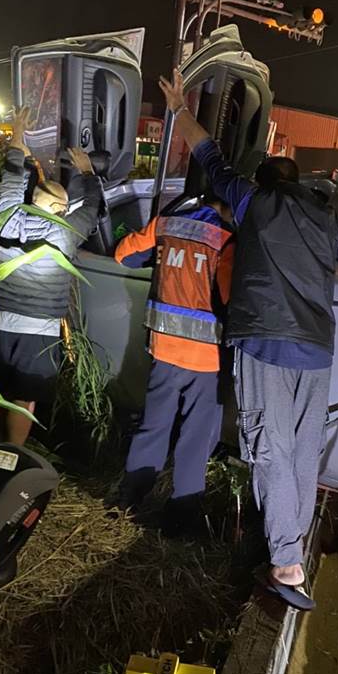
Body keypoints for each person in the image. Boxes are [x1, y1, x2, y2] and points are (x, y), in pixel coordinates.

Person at [159, 69, 338, 607]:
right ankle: (291, 548)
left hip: (265, 344)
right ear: (299, 181)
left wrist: (177, 108)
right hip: (316, 348)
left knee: (270, 449)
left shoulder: (253, 201)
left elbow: (209, 156)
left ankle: (284, 563)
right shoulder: (327, 216)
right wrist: (328, 271)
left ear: (262, 180)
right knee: (303, 452)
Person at [111, 193, 235, 537]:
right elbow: (229, 296)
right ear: (225, 208)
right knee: (195, 436)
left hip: (164, 349)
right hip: (205, 357)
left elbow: (124, 255)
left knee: (154, 425)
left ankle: (129, 499)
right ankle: (181, 518)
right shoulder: (225, 240)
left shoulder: (166, 224)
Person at [0, 106, 103, 445]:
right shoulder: (65, 232)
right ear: (60, 210)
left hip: (4, 322)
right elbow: (93, 208)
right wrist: (87, 172)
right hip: (40, 330)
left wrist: (18, 139)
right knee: (24, 399)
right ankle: (10, 455)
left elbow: (10, 182)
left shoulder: (9, 219)